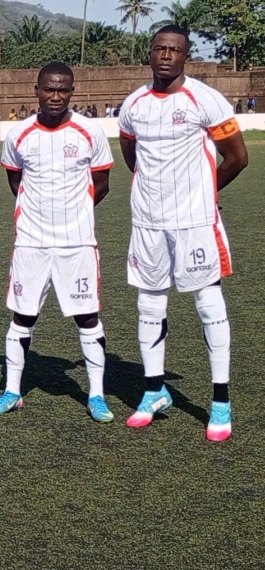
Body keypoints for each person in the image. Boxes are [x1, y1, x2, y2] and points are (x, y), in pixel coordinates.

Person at [117, 26, 248, 440]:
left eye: (175, 50)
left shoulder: (204, 99)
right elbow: (131, 154)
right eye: (160, 48)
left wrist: (202, 196)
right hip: (148, 223)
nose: (166, 56)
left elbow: (237, 158)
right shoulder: (134, 104)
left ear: (185, 56)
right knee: (149, 304)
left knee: (208, 303)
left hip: (194, 223)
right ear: (150, 53)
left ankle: (220, 402)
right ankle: (154, 391)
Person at [0, 62, 115, 421]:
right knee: (22, 315)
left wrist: (74, 213)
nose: (55, 96)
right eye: (49, 89)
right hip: (31, 241)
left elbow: (102, 183)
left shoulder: (89, 132)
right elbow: (16, 181)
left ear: (72, 92)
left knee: (87, 316)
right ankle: (12, 390)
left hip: (77, 244)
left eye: (63, 90)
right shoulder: (19, 135)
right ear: (37, 91)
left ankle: (96, 395)